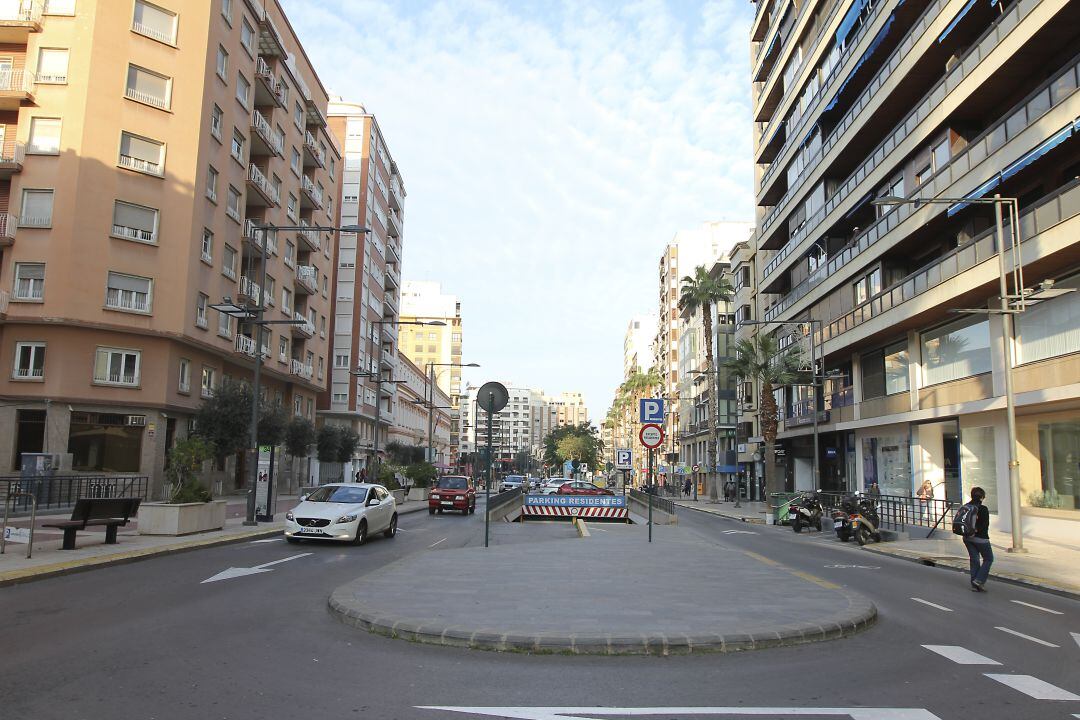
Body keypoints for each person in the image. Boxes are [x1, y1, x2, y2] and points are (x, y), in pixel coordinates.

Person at [964, 486, 993, 592]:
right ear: (981, 498)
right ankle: (979, 580)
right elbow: (984, 525)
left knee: (974, 559)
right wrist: (976, 531)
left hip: (967, 538)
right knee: (989, 559)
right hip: (981, 538)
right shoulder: (983, 509)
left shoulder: (966, 506)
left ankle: (974, 584)